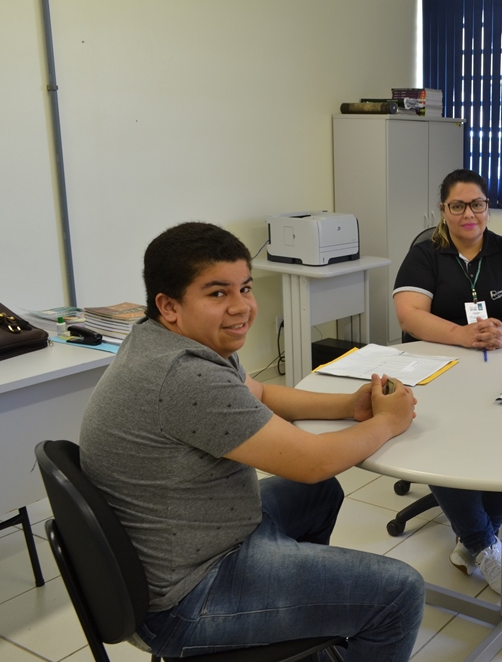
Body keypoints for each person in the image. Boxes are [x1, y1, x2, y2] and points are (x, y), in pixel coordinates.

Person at [79, 222, 424, 661]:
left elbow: (257, 392)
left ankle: (301, 626)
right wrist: (389, 422)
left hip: (201, 534)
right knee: (400, 593)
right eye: (217, 293)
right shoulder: (185, 375)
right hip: (188, 596)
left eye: (245, 288)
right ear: (169, 305)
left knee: (319, 495)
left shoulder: (171, 340)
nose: (241, 307)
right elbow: (313, 461)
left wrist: (348, 406)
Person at [392, 168, 502, 594]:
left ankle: (474, 540)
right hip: (437, 371)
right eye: (457, 206)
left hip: (498, 367)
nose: (468, 214)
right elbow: (409, 314)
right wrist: (461, 335)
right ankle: (483, 543)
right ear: (443, 210)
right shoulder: (425, 254)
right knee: (439, 444)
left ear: (487, 208)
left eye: (476, 204)